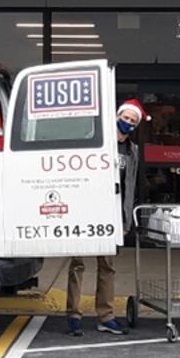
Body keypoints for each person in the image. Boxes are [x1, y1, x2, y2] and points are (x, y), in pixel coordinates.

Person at [66, 100, 144, 336]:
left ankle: (106, 316)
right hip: (86, 210)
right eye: (126, 117)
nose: (128, 123)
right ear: (117, 116)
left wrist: (127, 219)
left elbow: (132, 185)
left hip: (113, 215)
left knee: (107, 266)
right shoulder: (96, 142)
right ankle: (73, 314)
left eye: (133, 121)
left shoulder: (133, 151)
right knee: (78, 263)